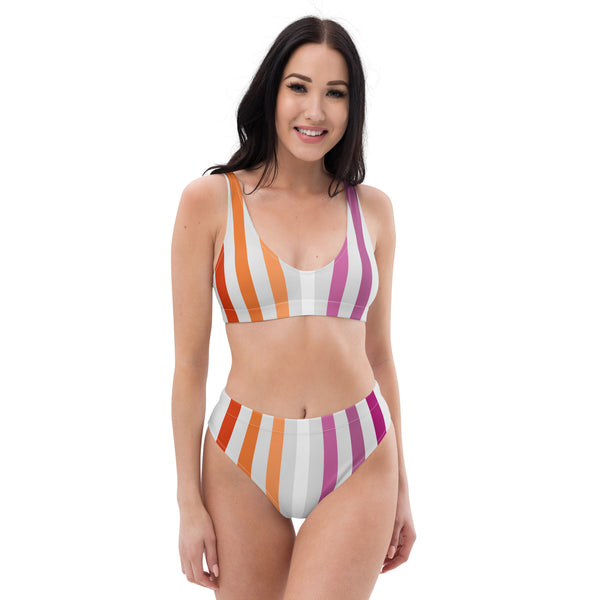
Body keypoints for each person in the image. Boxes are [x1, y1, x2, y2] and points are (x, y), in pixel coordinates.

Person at [170, 15, 416, 599]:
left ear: (353, 107)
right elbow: (189, 365)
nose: (315, 111)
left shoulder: (373, 210)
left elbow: (380, 356)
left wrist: (403, 486)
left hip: (360, 454)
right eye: (299, 87)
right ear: (272, 92)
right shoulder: (210, 202)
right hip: (241, 455)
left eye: (336, 93)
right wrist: (187, 502)